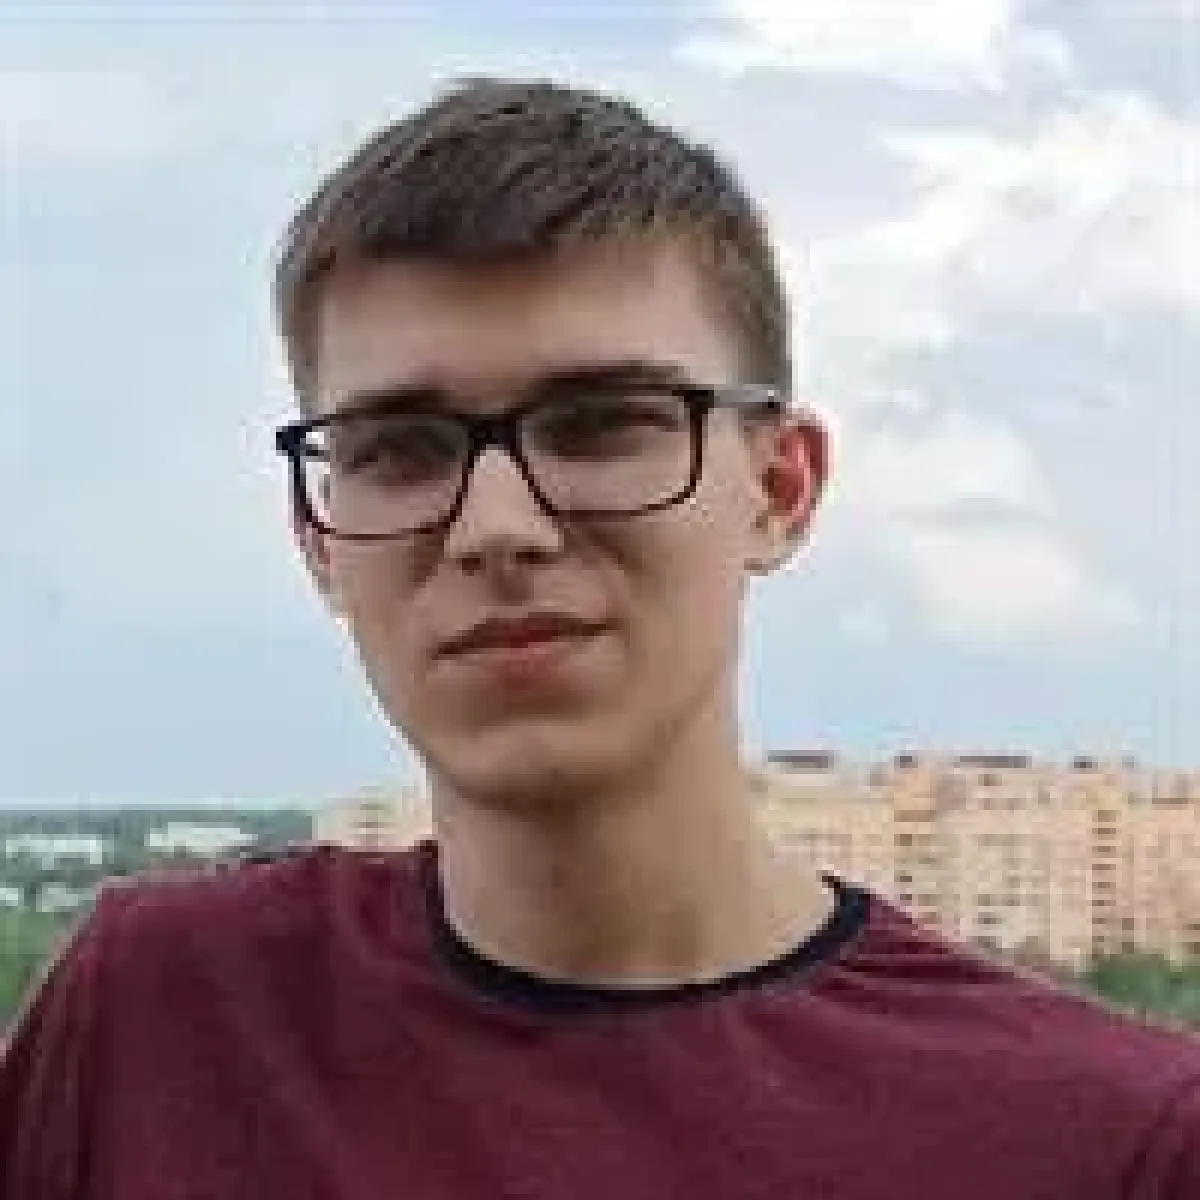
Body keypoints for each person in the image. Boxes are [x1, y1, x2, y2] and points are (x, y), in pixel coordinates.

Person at [2, 76, 1198, 1199]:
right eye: (399, 451)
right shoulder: (161, 1025)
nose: (496, 527)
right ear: (319, 538)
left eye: (600, 425)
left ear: (780, 487)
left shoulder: (1105, 1143)